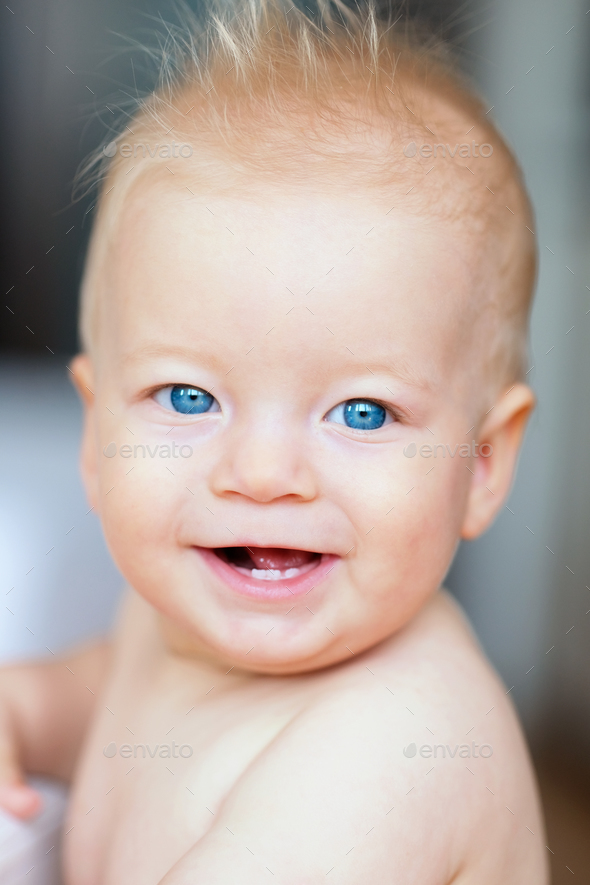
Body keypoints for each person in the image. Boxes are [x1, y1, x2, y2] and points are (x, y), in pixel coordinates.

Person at [0, 0, 548, 881]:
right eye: (188, 396)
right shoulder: (176, 619)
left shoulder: (394, 744)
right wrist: (19, 708)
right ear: (96, 432)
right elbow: (111, 702)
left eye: (361, 412)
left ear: (482, 463)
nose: (261, 474)